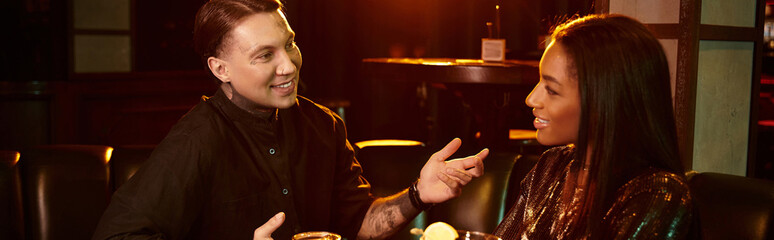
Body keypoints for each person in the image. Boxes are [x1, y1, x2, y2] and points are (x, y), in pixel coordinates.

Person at [92, 0, 487, 239]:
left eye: (290, 44)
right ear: (220, 68)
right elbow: (117, 236)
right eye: (265, 55)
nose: (288, 65)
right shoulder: (196, 139)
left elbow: (360, 224)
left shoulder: (324, 125)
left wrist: (418, 193)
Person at [492, 14, 692, 239]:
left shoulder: (657, 193)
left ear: (604, 100)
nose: (531, 99)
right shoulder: (551, 166)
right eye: (539, 82)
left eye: (552, 90)